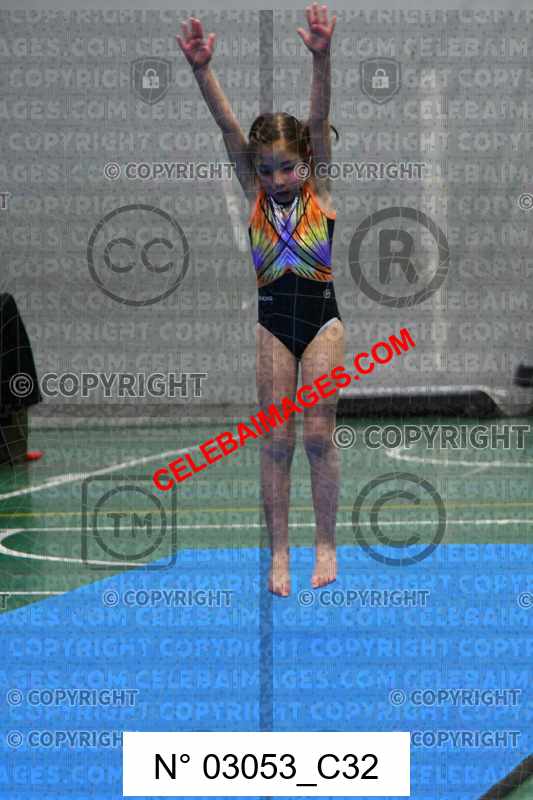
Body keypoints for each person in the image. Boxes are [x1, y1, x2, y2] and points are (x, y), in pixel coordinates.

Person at [177, 3, 344, 596]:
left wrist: (321, 59)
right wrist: (203, 72)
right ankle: (278, 553)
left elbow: (318, 120)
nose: (277, 180)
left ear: (306, 163)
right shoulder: (254, 194)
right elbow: (229, 131)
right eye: (268, 170)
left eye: (287, 168)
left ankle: (325, 542)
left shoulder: (318, 188)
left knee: (318, 436)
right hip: (272, 324)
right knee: (275, 442)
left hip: (322, 322)